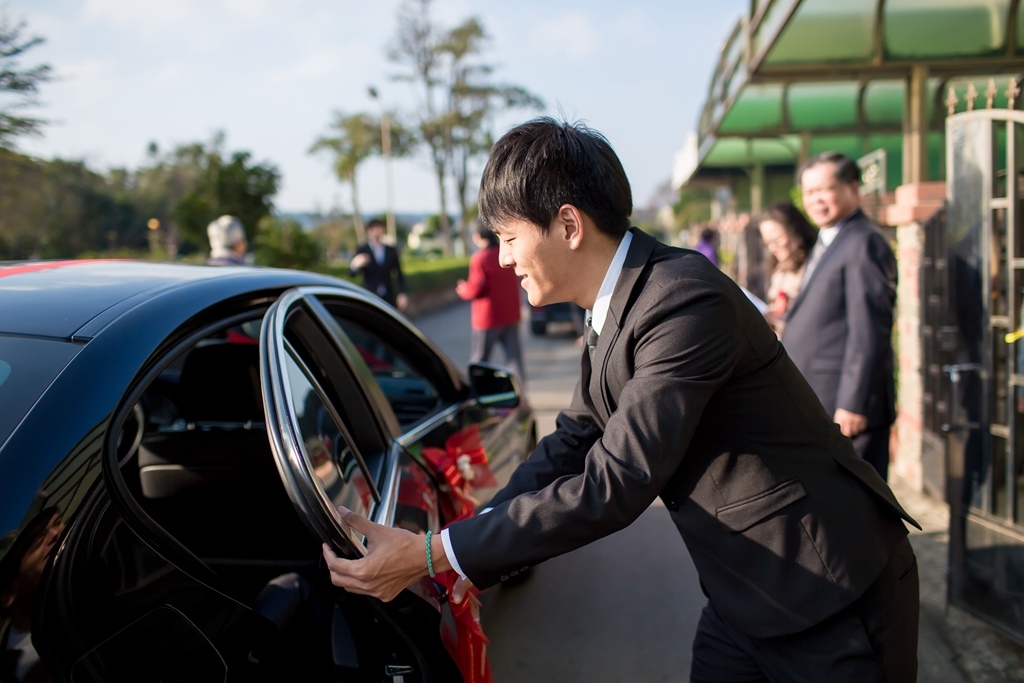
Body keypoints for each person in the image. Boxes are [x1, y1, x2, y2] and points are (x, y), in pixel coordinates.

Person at [321, 118, 920, 682]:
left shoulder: (684, 299)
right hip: (743, 594)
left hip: (829, 592)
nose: (502, 259)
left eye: (508, 238)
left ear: (569, 225)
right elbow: (575, 438)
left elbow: (617, 479)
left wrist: (434, 554)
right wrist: (469, 541)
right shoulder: (616, 303)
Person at [781, 152, 898, 483]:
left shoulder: (863, 243)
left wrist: (854, 402)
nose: (816, 200)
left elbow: (869, 330)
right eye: (809, 193)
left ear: (852, 188)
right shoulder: (828, 241)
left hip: (846, 409)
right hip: (820, 400)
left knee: (859, 510)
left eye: (825, 190)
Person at [456, 224, 525, 383]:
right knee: (514, 359)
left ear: (479, 236)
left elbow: (476, 289)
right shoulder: (505, 254)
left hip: (487, 318)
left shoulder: (480, 258)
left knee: (480, 361)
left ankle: (477, 395)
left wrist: (462, 289)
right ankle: (522, 399)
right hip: (510, 314)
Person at [758, 201, 818, 337]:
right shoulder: (779, 268)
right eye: (767, 243)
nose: (773, 248)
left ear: (796, 231)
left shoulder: (814, 266)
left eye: (778, 240)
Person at [350, 218, 408, 311]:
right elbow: (351, 274)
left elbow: (399, 273)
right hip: (370, 295)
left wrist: (402, 293)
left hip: (388, 296)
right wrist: (356, 264)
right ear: (369, 232)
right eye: (374, 229)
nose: (377, 232)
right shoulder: (362, 249)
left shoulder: (391, 250)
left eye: (379, 228)